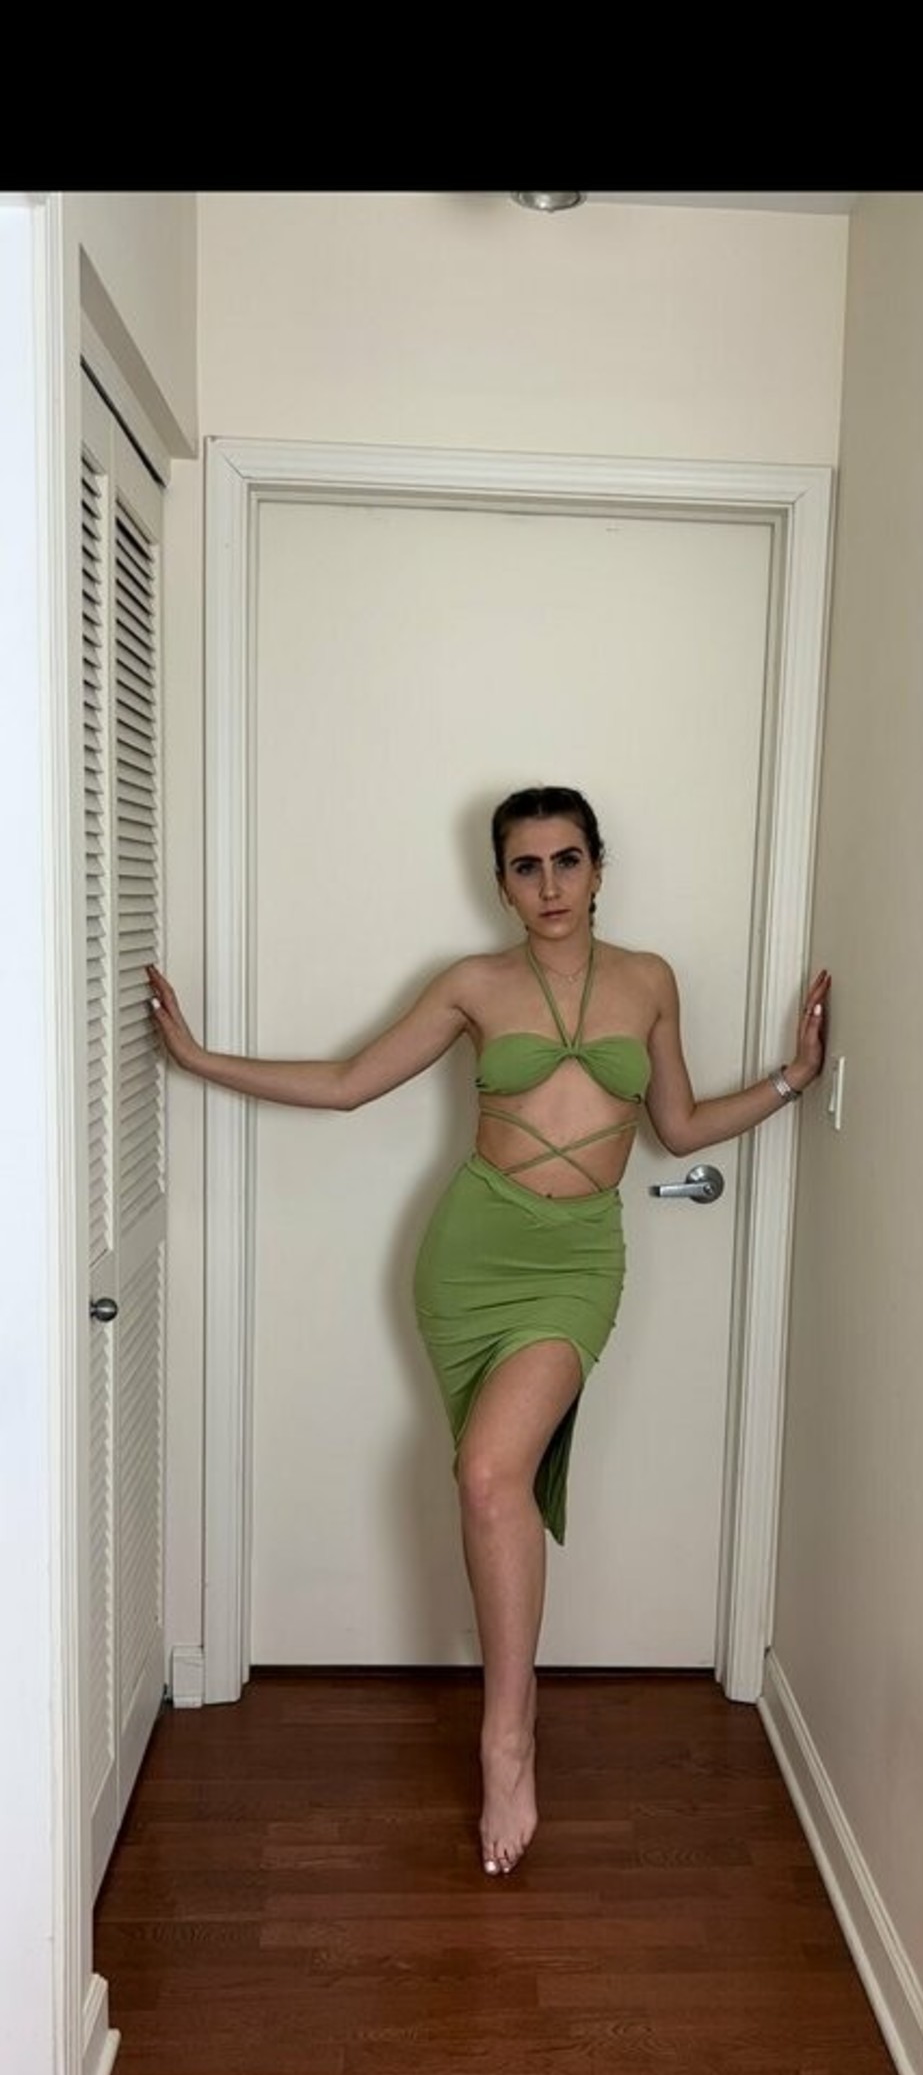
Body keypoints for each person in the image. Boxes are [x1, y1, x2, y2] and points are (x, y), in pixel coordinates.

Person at [148, 785, 830, 1880]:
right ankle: (511, 1726)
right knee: (488, 1480)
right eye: (526, 865)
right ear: (501, 881)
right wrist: (201, 1059)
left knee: (484, 1471)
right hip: (471, 1258)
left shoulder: (649, 981)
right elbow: (348, 1083)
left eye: (567, 860)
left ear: (598, 868)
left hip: (578, 1262)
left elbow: (679, 1126)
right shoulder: (473, 984)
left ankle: (506, 1737)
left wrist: (796, 1077)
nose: (549, 884)